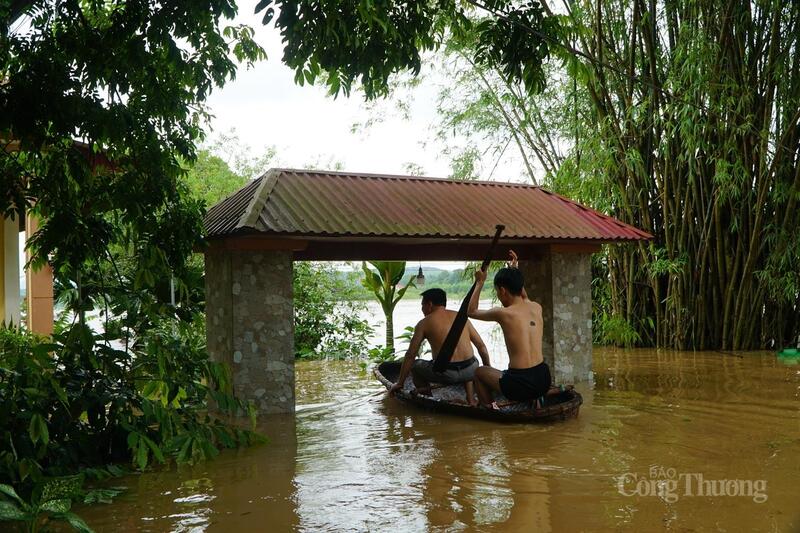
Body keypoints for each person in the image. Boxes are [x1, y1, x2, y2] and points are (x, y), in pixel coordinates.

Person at [467, 252, 552, 409]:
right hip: (544, 379)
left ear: (503, 290)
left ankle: (492, 410)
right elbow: (522, 295)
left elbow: (471, 311)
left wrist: (479, 282)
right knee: (512, 374)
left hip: (519, 384)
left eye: (498, 292)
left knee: (479, 373)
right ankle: (536, 400)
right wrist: (514, 270)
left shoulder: (503, 313)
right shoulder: (536, 307)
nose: (499, 296)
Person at [390, 288, 491, 406]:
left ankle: (428, 398)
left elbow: (410, 355)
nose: (422, 309)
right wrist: (487, 369)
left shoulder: (424, 323)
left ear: (429, 304)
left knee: (415, 365)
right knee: (470, 359)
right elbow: (481, 346)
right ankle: (471, 399)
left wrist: (400, 383)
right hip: (470, 371)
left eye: (422, 305)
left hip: (447, 373)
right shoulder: (462, 317)